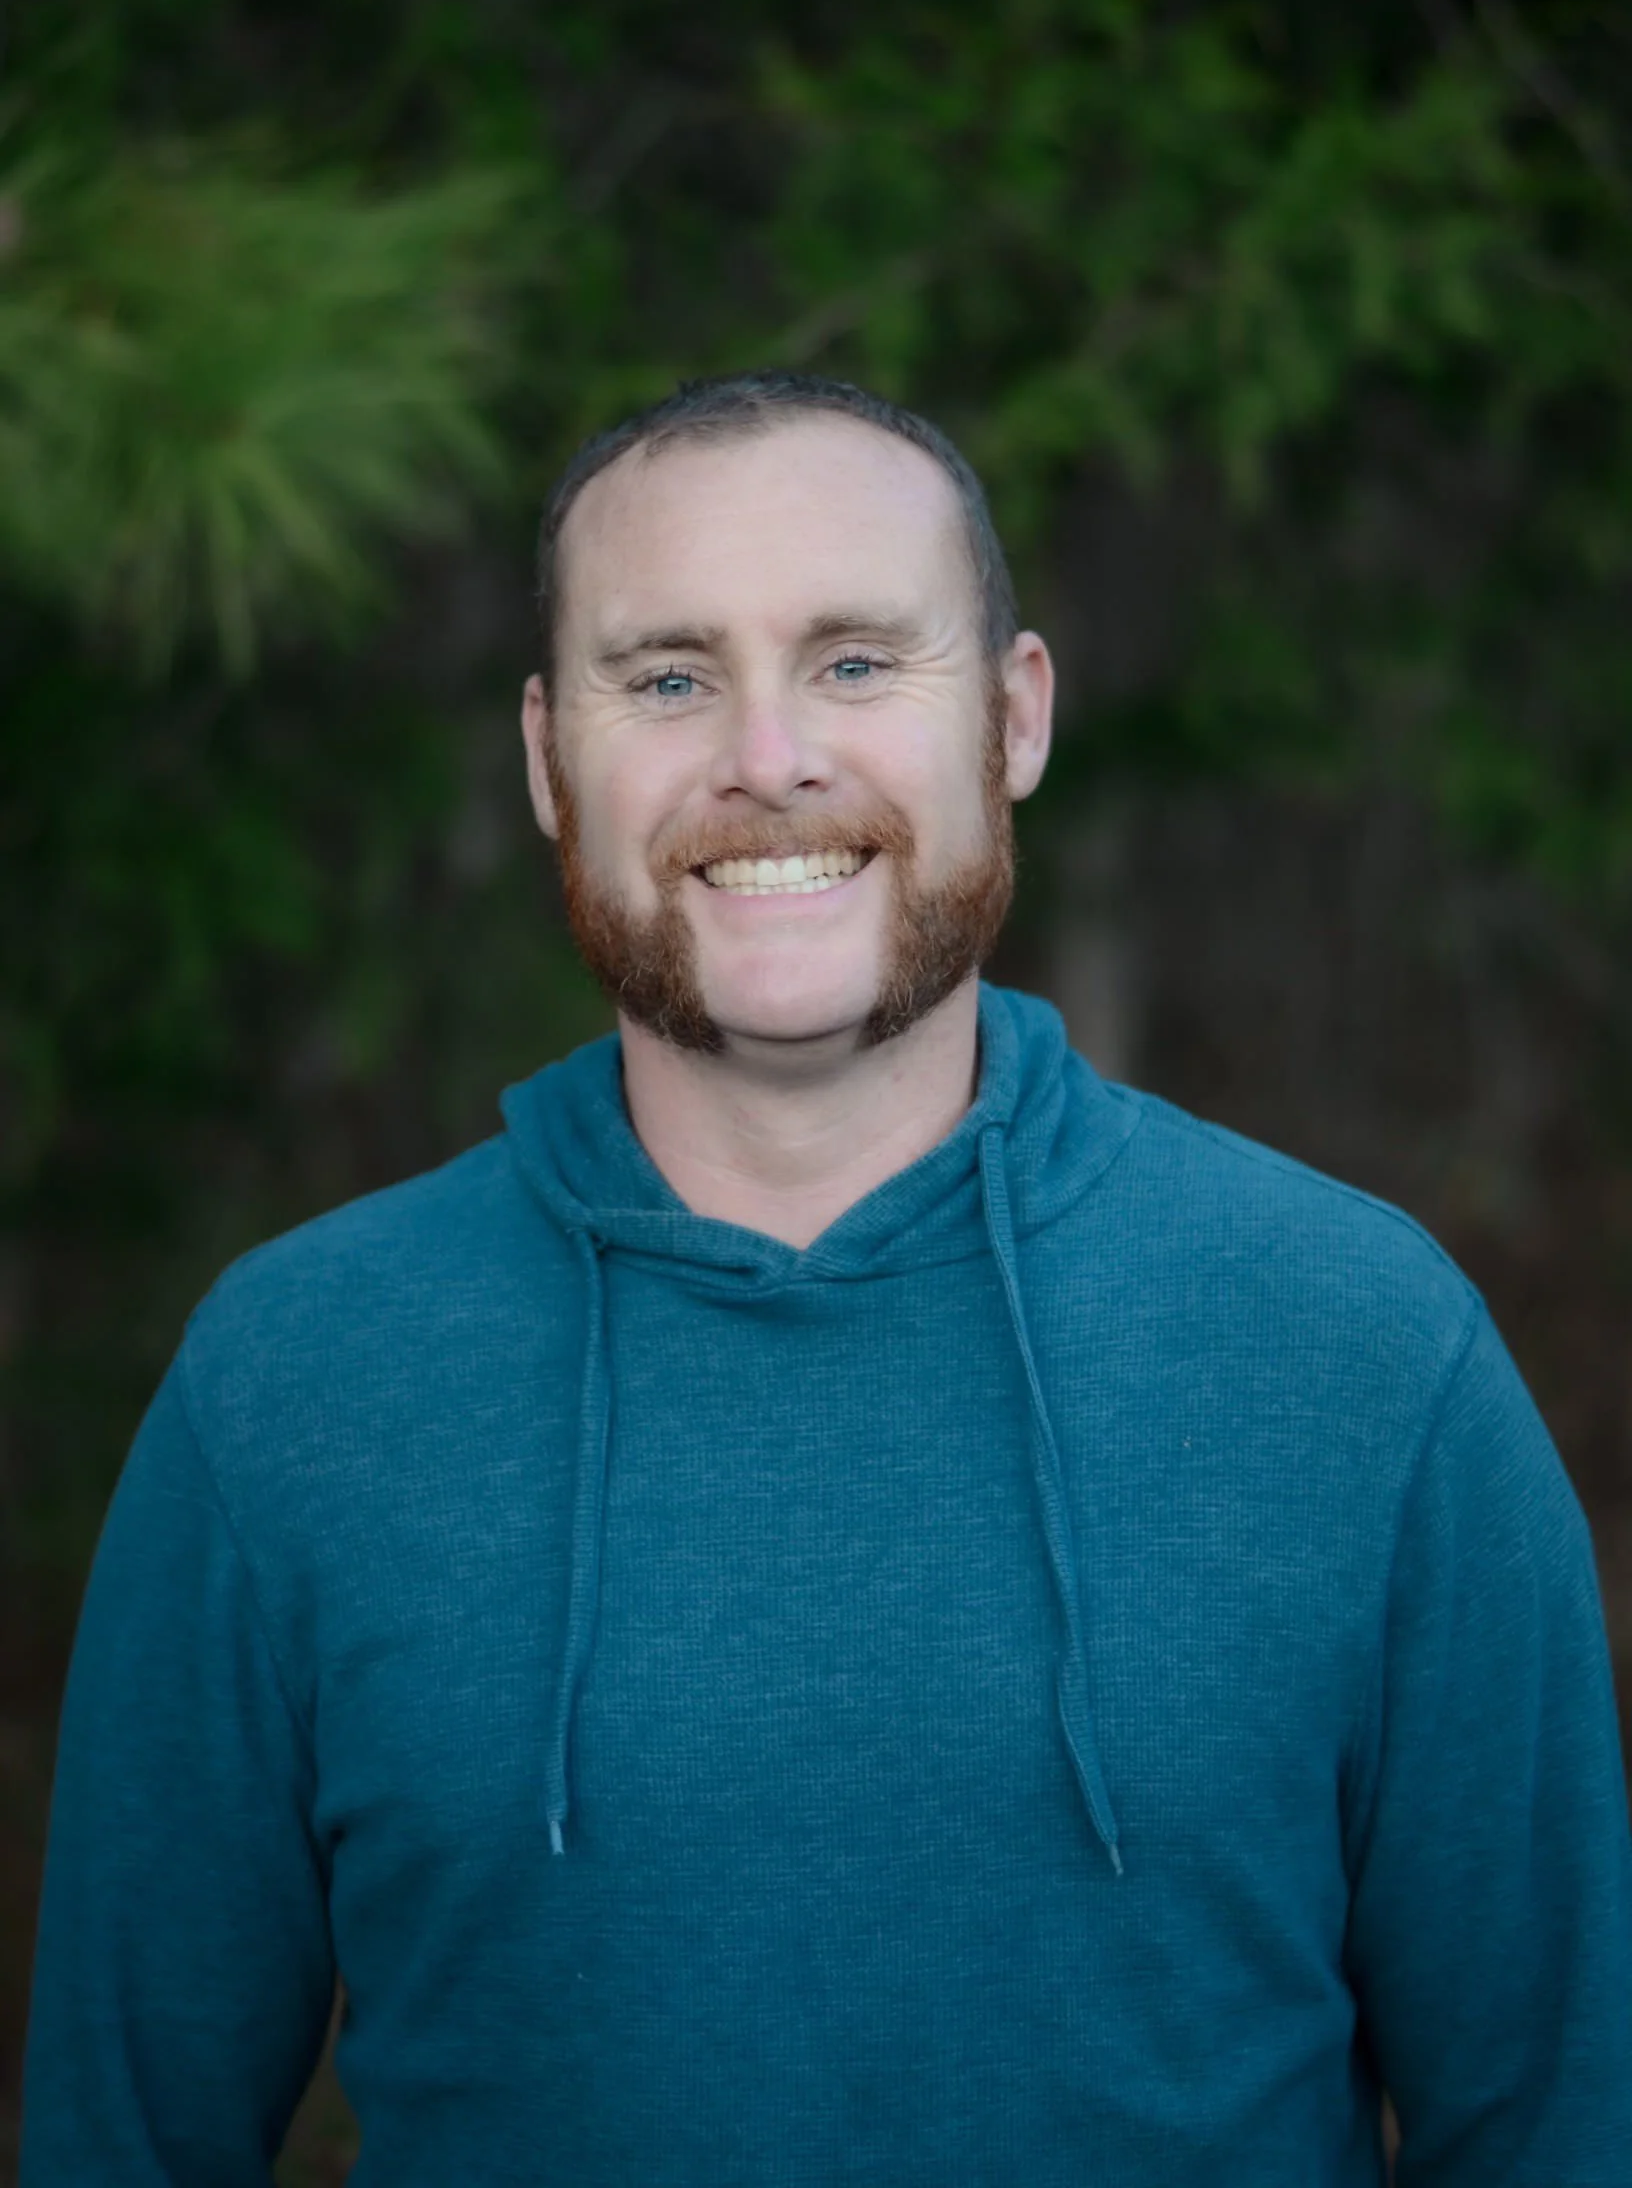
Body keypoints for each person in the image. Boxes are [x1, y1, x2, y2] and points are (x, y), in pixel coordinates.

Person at [21, 371, 1632, 2185]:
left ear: (1014, 718)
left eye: (858, 663)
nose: (767, 755)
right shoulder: (294, 1382)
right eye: (669, 676)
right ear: (552, 760)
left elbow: (1555, 2131)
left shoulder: (1358, 1350)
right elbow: (121, 2145)